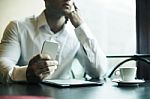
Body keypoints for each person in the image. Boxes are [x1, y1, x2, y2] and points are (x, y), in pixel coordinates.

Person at [0, 0, 108, 83]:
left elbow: (99, 72)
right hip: (25, 95)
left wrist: (81, 26)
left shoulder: (77, 33)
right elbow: (2, 65)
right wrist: (26, 73)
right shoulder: (18, 27)